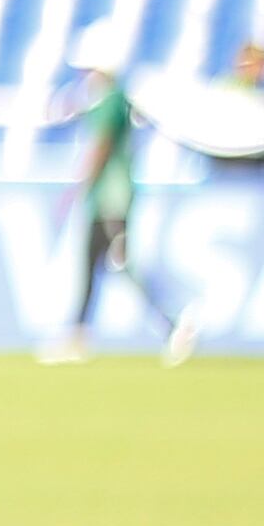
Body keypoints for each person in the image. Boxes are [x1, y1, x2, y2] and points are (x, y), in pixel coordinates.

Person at [47, 19, 192, 361]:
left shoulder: (109, 99)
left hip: (113, 197)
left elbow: (100, 145)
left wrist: (77, 187)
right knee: (90, 262)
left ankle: (174, 323)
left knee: (121, 263)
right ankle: (77, 335)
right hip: (105, 197)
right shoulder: (107, 97)